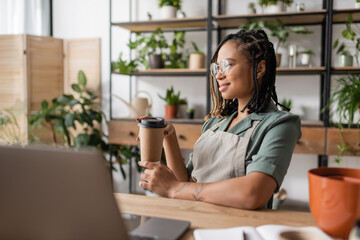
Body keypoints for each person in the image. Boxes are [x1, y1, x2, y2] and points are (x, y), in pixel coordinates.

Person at [137, 30, 301, 210]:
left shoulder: (279, 125)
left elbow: (253, 194)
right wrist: (168, 136)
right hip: (194, 219)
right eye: (217, 68)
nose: (218, 75)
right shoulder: (215, 123)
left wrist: (173, 188)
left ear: (259, 69)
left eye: (227, 65)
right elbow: (187, 183)